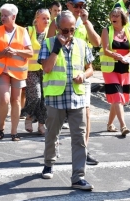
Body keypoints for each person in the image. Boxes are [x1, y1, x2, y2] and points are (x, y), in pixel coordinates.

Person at [39, 10, 94, 190]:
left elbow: (90, 68)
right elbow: (46, 68)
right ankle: (49, 163)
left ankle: (78, 176)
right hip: (56, 98)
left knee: (79, 138)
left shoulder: (81, 44)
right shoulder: (47, 43)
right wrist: (56, 49)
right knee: (52, 133)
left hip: (77, 97)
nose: (69, 34)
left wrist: (83, 76)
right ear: (56, 28)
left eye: (71, 30)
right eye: (65, 31)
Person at [48, 0, 101, 165]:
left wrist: (86, 22)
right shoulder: (59, 21)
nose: (80, 9)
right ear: (69, 5)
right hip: (60, 76)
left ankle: (83, 150)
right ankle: (52, 153)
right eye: (77, 5)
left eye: (82, 6)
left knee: (85, 113)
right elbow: (49, 41)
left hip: (80, 75)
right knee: (56, 122)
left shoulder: (85, 23)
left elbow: (97, 42)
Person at [0, 4, 33, 141]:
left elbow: (30, 53)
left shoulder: (22, 31)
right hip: (2, 70)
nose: (2, 17)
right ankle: (1, 127)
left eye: (5, 15)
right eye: (1, 15)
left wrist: (16, 51)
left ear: (13, 17)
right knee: (5, 99)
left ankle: (14, 131)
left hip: (18, 72)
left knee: (16, 100)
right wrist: (2, 53)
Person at [100, 7, 130, 136]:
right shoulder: (106, 31)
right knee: (117, 96)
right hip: (110, 69)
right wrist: (117, 56)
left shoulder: (129, 31)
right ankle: (123, 126)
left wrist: (127, 57)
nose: (114, 17)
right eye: (112, 15)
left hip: (124, 68)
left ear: (122, 18)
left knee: (118, 99)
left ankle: (110, 124)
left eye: (117, 15)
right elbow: (105, 49)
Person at [21, 9, 50, 135]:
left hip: (46, 70)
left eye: (48, 18)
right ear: (36, 19)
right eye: (43, 18)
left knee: (44, 99)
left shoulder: (50, 33)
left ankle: (41, 125)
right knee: (35, 96)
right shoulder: (29, 31)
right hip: (31, 70)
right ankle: (28, 117)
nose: (47, 21)